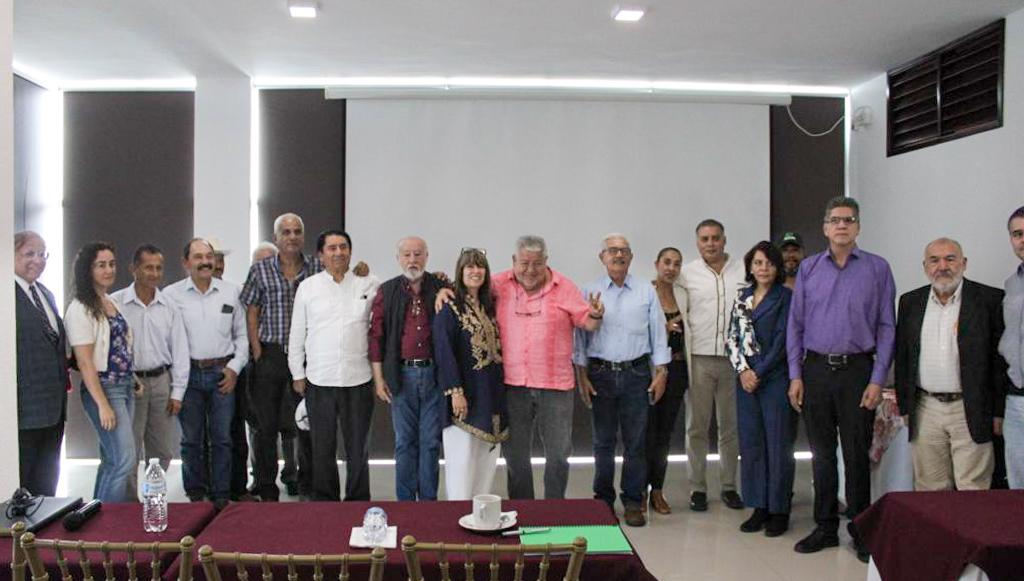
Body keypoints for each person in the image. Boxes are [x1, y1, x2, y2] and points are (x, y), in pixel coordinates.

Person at [438, 235, 603, 499]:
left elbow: (589, 322)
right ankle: (523, 508)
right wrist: (442, 290)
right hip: (513, 386)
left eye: (537, 264)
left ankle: (554, 508)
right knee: (516, 456)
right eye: (524, 263)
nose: (530, 270)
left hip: (555, 386)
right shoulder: (499, 284)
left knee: (559, 455)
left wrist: (595, 314)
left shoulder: (564, 286)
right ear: (514, 261)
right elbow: (469, 287)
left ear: (546, 261)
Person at [787, 196, 894, 562]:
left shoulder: (877, 268)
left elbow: (886, 326)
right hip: (816, 370)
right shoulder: (809, 268)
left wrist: (878, 379)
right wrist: (795, 375)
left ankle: (861, 531)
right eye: (835, 220)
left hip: (858, 372)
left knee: (856, 454)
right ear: (825, 228)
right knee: (821, 455)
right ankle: (825, 527)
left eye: (849, 219)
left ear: (858, 226)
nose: (842, 225)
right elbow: (795, 325)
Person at [895, 238, 1006, 491]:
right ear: (925, 266)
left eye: (950, 259)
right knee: (930, 489)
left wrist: (998, 411)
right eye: (934, 260)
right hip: (925, 409)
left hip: (971, 408)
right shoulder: (910, 302)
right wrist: (905, 407)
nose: (942, 266)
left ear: (964, 263)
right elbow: (903, 357)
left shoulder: (989, 299)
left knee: (973, 488)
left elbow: (999, 362)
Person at [575, 234, 670, 527]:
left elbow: (658, 333)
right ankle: (603, 501)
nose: (618, 255)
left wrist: (661, 372)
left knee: (635, 443)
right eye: (612, 250)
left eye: (623, 251)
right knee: (603, 442)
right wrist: (581, 375)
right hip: (600, 374)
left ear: (631, 257)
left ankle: (632, 501)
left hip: (637, 374)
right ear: (602, 257)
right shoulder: (588, 291)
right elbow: (579, 338)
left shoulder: (645, 291)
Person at [288, 230, 381, 501]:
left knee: (358, 449)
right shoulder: (308, 287)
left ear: (350, 251)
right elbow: (297, 334)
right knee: (322, 448)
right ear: (321, 255)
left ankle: (357, 501)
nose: (338, 252)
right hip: (320, 380)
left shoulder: (369, 283)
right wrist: (297, 373)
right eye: (332, 248)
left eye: (343, 247)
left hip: (358, 380)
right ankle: (325, 503)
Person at [164, 238, 249, 510]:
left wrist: (234, 369)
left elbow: (242, 336)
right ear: (186, 262)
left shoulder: (231, 292)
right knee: (191, 441)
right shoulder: (171, 295)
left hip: (222, 374)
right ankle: (196, 496)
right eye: (198, 257)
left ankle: (222, 496)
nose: (205, 262)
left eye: (209, 256)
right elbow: (167, 339)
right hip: (187, 376)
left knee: (222, 439)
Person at [241, 213, 317, 501]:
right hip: (270, 355)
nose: (292, 236)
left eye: (297, 231)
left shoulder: (317, 267)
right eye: (286, 232)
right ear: (276, 238)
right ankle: (266, 489)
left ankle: (307, 486)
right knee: (265, 427)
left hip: (307, 358)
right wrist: (257, 350)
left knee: (306, 423)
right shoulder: (260, 270)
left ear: (303, 236)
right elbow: (251, 311)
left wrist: (360, 270)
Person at [368, 237, 446, 501]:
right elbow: (376, 337)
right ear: (398, 258)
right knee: (404, 443)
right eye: (407, 254)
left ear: (427, 256)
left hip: (434, 376)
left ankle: (428, 502)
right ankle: (405, 503)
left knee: (431, 443)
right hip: (400, 376)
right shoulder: (387, 290)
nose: (413, 260)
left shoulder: (441, 287)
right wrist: (379, 379)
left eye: (418, 254)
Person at [726, 241, 795, 537]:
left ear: (777, 267)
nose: (763, 268)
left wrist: (759, 372)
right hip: (746, 381)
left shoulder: (786, 297)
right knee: (752, 444)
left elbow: (783, 340)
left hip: (775, 378)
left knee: (778, 445)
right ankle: (759, 506)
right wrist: (743, 370)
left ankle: (779, 509)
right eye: (757, 263)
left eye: (768, 263)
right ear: (750, 267)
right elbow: (732, 336)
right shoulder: (742, 297)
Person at [111, 245, 190, 500]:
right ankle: (130, 505)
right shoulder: (115, 303)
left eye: (158, 268)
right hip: (129, 385)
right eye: (148, 267)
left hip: (161, 383)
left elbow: (180, 350)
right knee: (129, 451)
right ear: (134, 269)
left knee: (163, 451)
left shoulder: (169, 305)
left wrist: (177, 392)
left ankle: (152, 498)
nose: (154, 273)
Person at [433, 248, 509, 500]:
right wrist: (455, 392)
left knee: (485, 462)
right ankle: (458, 513)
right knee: (461, 464)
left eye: (480, 266)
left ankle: (480, 514)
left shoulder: (489, 306)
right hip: (463, 397)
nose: (476, 271)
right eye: (470, 267)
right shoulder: (449, 307)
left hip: (490, 395)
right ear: (460, 271)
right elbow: (444, 353)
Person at [681, 219, 746, 511]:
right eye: (705, 239)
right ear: (698, 242)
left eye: (716, 238)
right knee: (696, 427)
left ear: (724, 240)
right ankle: (697, 487)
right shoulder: (686, 274)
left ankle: (729, 486)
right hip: (699, 360)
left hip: (734, 360)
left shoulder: (743, 270)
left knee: (729, 427)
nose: (711, 243)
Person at [64, 242, 137, 502]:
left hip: (125, 385)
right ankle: (109, 523)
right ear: (88, 269)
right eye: (101, 265)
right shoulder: (80, 308)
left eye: (112, 264)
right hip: (105, 390)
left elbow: (119, 346)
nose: (108, 270)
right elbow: (85, 363)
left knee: (112, 460)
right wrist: (103, 405)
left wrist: (132, 378)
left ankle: (96, 517)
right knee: (124, 461)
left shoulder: (110, 301)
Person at [14, 231, 69, 496]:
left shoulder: (45, 293)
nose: (37, 260)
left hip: (54, 409)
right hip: (23, 411)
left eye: (42, 254)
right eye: (29, 254)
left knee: (47, 487)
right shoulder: (6, 295)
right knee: (22, 488)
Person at [646, 247, 691, 515]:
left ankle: (657, 490)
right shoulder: (645, 292)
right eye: (667, 262)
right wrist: (661, 328)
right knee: (644, 433)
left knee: (664, 435)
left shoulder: (683, 295)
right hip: (650, 371)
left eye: (676, 264)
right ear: (657, 264)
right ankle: (637, 491)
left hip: (678, 369)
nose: (671, 268)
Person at [1000, 205, 1024, 489]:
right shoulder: (1011, 284)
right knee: (1017, 484)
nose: (1022, 240)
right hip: (1016, 399)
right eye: (1017, 234)